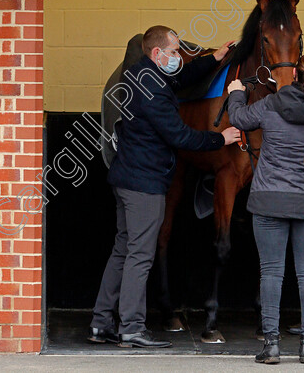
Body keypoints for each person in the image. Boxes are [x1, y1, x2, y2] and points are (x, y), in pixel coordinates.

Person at [89, 26, 241, 349]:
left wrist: (213, 59)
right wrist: (221, 138)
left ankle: (102, 322)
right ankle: (131, 326)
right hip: (144, 184)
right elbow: (180, 136)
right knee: (140, 255)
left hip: (126, 178)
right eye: (174, 52)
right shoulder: (153, 91)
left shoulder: (143, 74)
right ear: (158, 54)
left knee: (122, 250)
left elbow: (182, 77)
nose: (177, 58)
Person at [227, 52, 304, 364]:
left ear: (293, 74)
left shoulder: (270, 104)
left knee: (271, 272)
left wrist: (236, 92)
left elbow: (238, 119)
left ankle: (273, 346)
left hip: (269, 200)